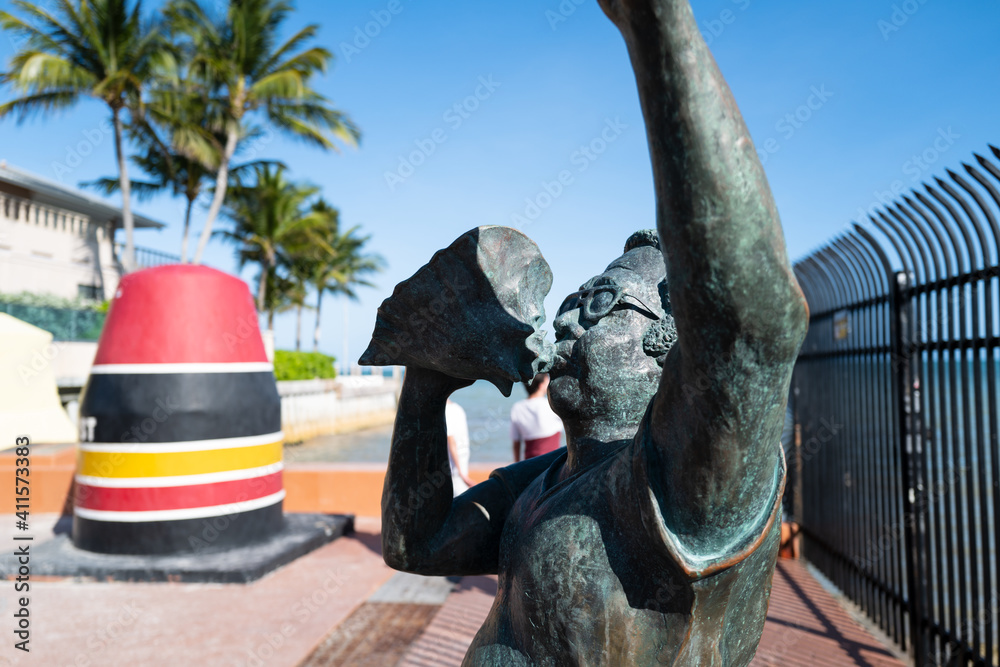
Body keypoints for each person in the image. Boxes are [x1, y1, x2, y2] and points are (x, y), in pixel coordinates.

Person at [378, 0, 808, 663]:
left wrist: (658, 30)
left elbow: (751, 323)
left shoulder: (681, 487)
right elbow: (418, 542)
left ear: (670, 345)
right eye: (575, 298)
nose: (569, 315)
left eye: (602, 301)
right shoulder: (543, 479)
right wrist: (429, 374)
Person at [510, 373, 564, 462]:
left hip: (530, 462)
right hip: (553, 461)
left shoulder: (517, 407)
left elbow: (516, 442)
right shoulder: (552, 406)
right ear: (541, 385)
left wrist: (517, 464)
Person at [445, 398, 474, 496]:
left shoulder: (446, 410)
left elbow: (451, 441)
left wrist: (461, 474)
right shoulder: (458, 409)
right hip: (461, 463)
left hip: (454, 468)